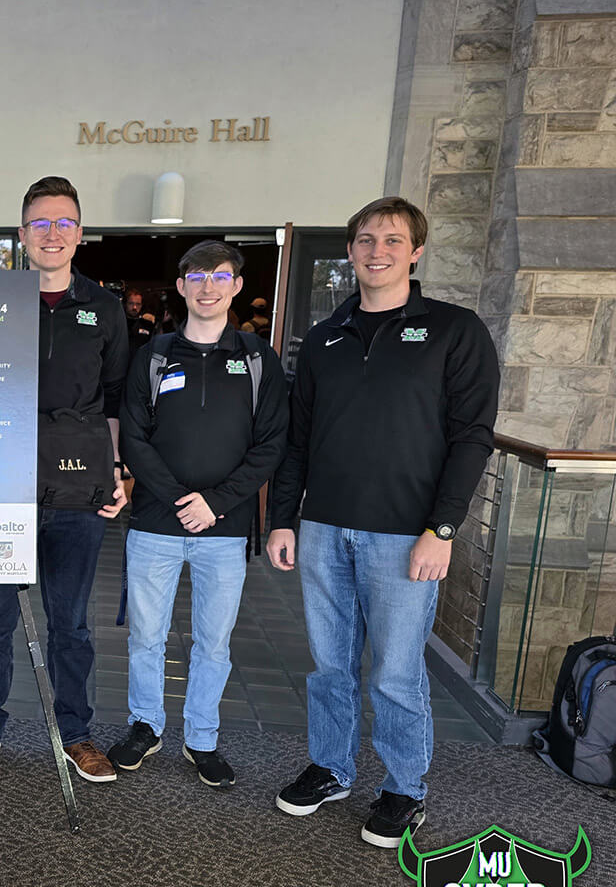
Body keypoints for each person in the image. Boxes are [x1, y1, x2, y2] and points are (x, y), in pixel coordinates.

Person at [266, 196, 498, 848]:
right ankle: (332, 768)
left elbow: (472, 438)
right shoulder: (324, 338)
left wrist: (443, 528)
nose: (378, 251)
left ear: (416, 251)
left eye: (393, 240)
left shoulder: (455, 331)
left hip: (407, 534)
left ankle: (403, 787)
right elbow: (298, 439)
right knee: (329, 664)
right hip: (324, 528)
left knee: (396, 669)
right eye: (366, 239)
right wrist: (284, 520)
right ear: (350, 251)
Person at [0, 175, 129, 784]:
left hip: (79, 489)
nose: (53, 233)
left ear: (80, 233)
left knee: (70, 623)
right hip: (1, 485)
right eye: (41, 223)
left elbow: (116, 400)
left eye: (64, 222)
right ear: (22, 234)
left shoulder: (103, 308)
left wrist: (119, 472)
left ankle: (77, 734)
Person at [109, 241, 287, 787]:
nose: (208, 286)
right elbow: (134, 437)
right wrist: (178, 498)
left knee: (213, 641)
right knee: (146, 636)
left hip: (225, 530)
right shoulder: (155, 354)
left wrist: (216, 502)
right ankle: (145, 725)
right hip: (155, 525)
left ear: (236, 285)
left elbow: (271, 443)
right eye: (197, 276)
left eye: (220, 276)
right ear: (182, 285)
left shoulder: (258, 359)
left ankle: (201, 738)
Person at [123, 286, 158, 352]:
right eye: (131, 303)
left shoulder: (147, 324)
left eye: (138, 304)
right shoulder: (118, 323)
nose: (134, 307)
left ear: (142, 305)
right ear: (125, 304)